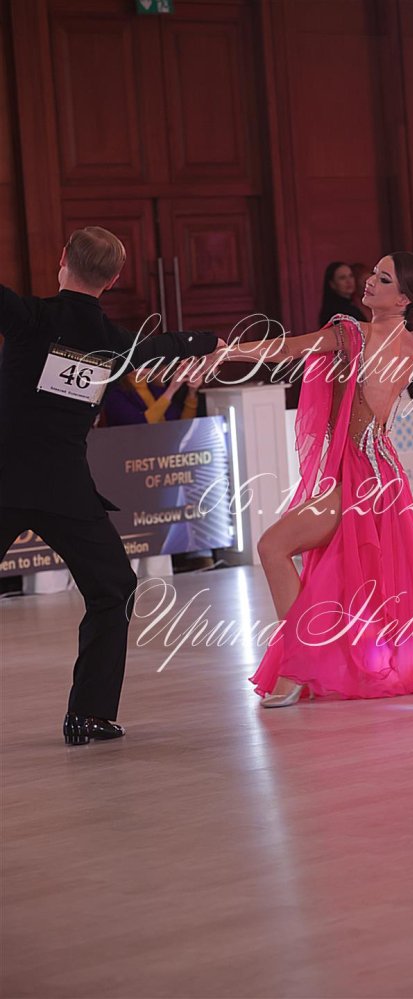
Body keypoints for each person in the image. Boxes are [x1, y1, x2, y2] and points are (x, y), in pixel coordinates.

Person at [220, 250, 413, 707]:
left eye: (384, 279)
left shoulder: (354, 335)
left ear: (404, 299)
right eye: (374, 273)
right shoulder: (406, 342)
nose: (370, 281)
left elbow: (288, 348)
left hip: (363, 477)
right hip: (381, 475)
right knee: (340, 573)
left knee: (274, 547)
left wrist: (226, 351)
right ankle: (309, 664)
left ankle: (296, 668)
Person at [0, 227, 222, 745]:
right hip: (64, 491)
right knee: (113, 589)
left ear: (62, 259)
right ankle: (89, 714)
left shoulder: (30, 317)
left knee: (114, 587)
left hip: (6, 480)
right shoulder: (114, 342)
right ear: (115, 279)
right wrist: (208, 340)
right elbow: (162, 346)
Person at [318, 261, 366, 326]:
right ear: (332, 284)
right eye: (342, 278)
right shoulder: (335, 312)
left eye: (351, 276)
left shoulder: (355, 304)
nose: (349, 281)